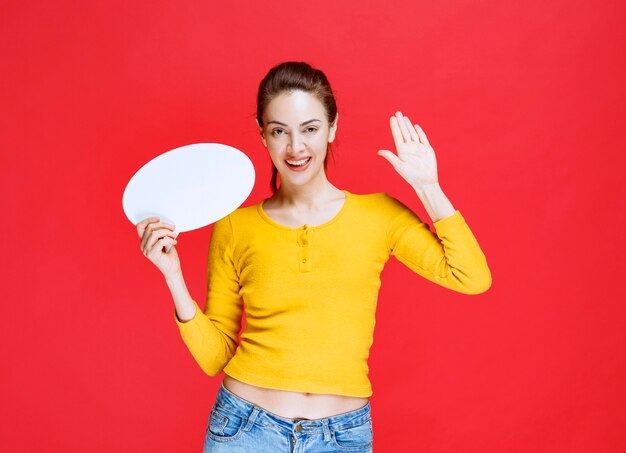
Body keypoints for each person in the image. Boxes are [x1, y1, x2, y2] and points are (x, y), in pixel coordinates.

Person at [136, 61, 492, 452]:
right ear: (263, 135)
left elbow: (471, 277)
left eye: (310, 129)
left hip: (342, 436)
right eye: (279, 131)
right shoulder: (235, 226)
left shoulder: (379, 215)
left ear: (332, 127)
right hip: (244, 430)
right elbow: (214, 357)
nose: (295, 148)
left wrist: (428, 187)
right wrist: (173, 275)